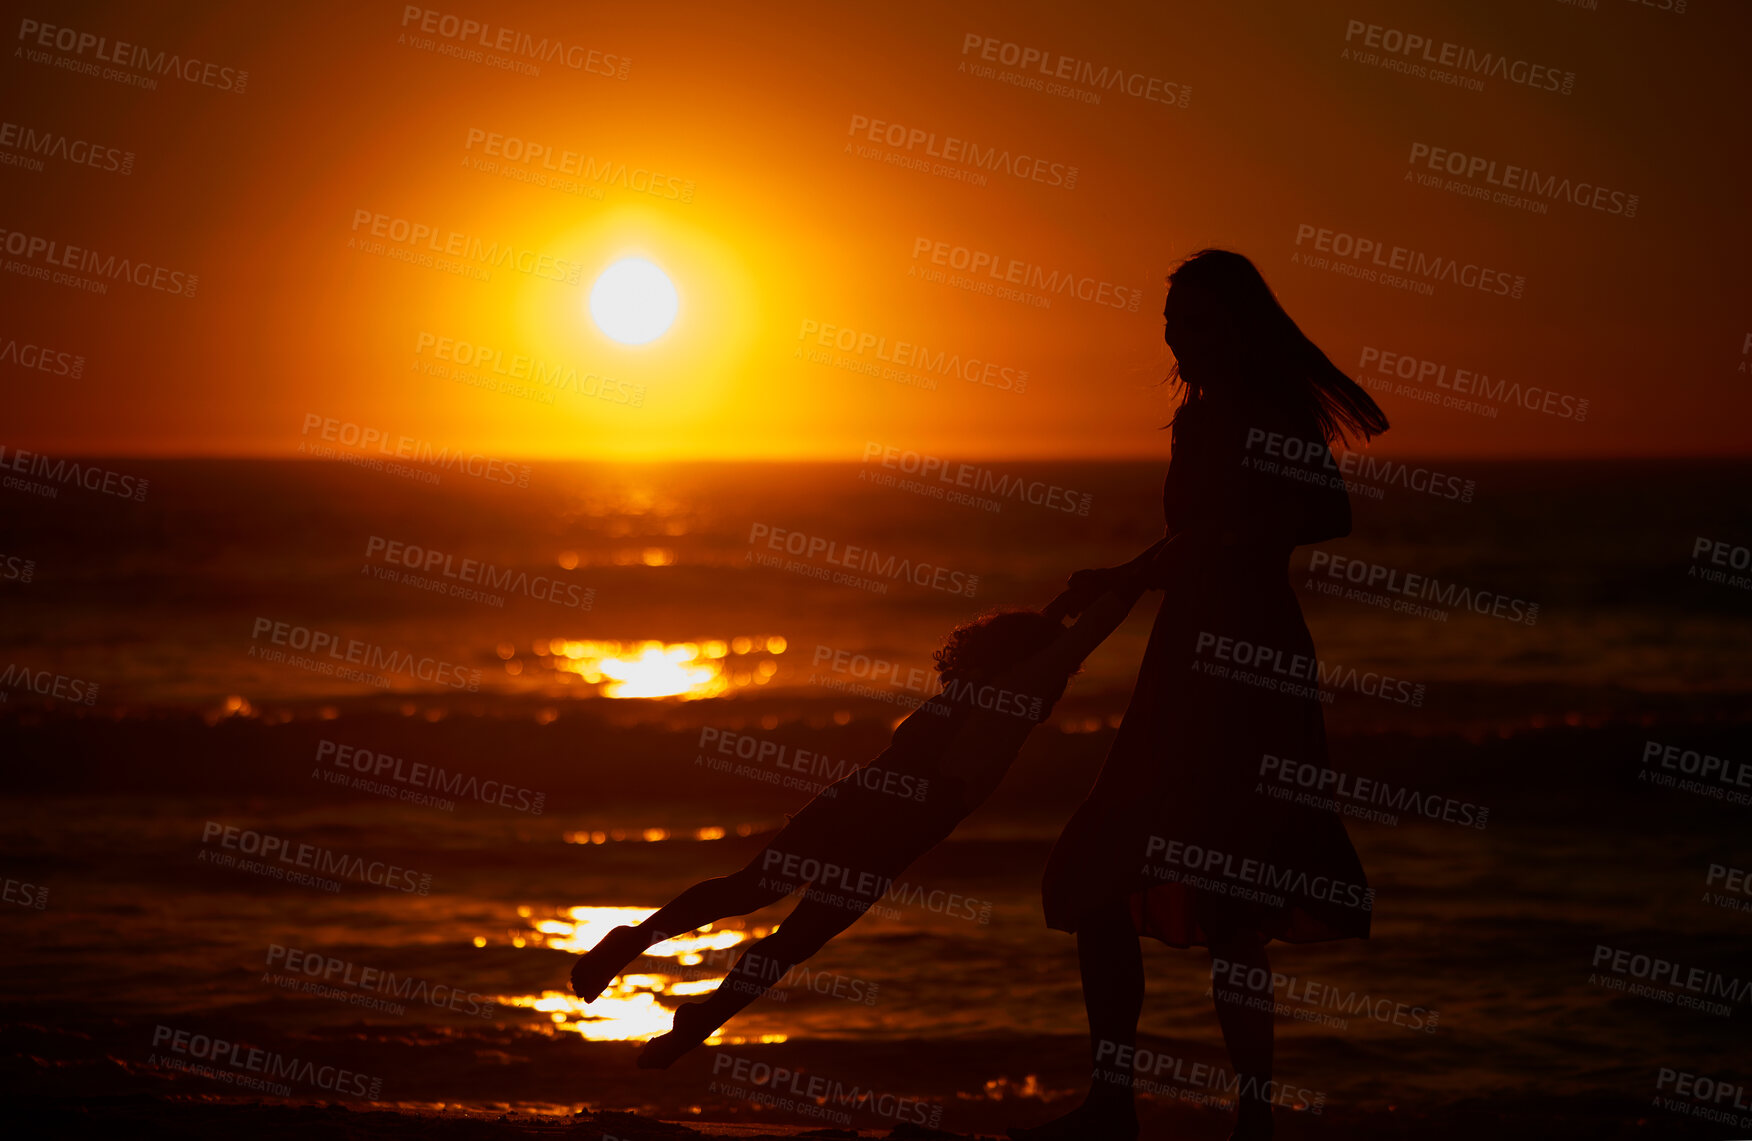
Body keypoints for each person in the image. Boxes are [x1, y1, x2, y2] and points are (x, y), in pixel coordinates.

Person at [1012, 249, 1391, 1141]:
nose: (1174, 335)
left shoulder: (1263, 413)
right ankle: (1118, 1100)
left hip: (1249, 665)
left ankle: (1240, 1116)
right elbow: (1184, 541)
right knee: (1096, 876)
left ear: (1230, 323)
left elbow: (1327, 511)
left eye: (1188, 318)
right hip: (1184, 658)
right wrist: (1132, 574)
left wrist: (1211, 545)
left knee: (1229, 895)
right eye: (1169, 319)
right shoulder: (1198, 418)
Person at [568, 585, 1146, 1068]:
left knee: (750, 893)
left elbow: (1049, 637)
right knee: (792, 937)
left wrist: (1064, 602)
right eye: (1058, 664)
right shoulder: (1020, 691)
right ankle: (698, 1018)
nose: (1065, 673)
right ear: (1039, 661)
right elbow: (1084, 634)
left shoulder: (972, 686)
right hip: (891, 830)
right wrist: (1137, 577)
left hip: (857, 804)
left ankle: (648, 964)